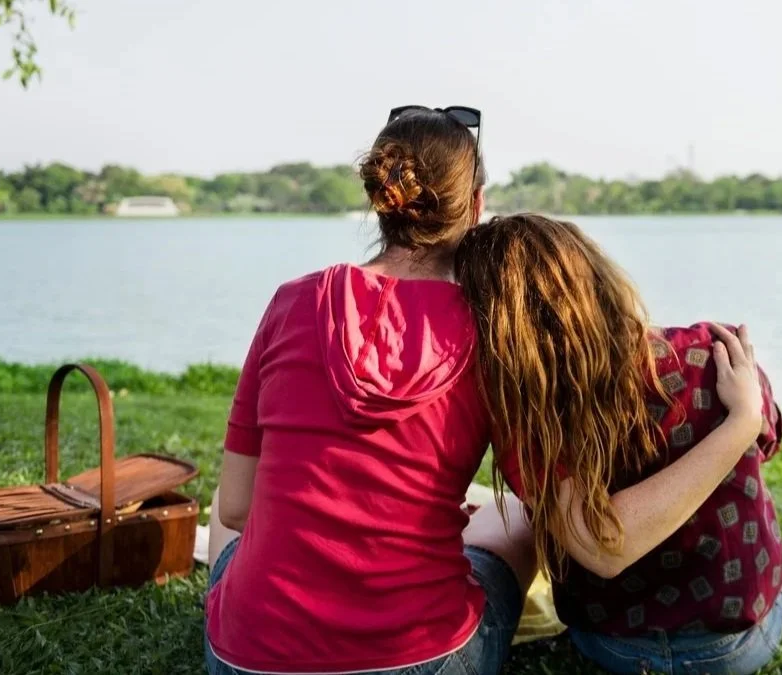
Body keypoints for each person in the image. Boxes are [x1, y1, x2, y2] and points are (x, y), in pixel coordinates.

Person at [203, 107, 537, 675]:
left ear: (380, 201)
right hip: (421, 657)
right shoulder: (492, 329)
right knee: (518, 522)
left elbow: (236, 508)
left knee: (221, 506)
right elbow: (544, 497)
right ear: (477, 207)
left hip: (250, 660)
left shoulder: (291, 302)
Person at [454, 214, 782, 675]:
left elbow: (600, 548)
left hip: (615, 646)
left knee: (515, 513)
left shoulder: (529, 419)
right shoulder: (713, 352)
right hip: (735, 644)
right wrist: (741, 422)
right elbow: (769, 442)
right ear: (594, 274)